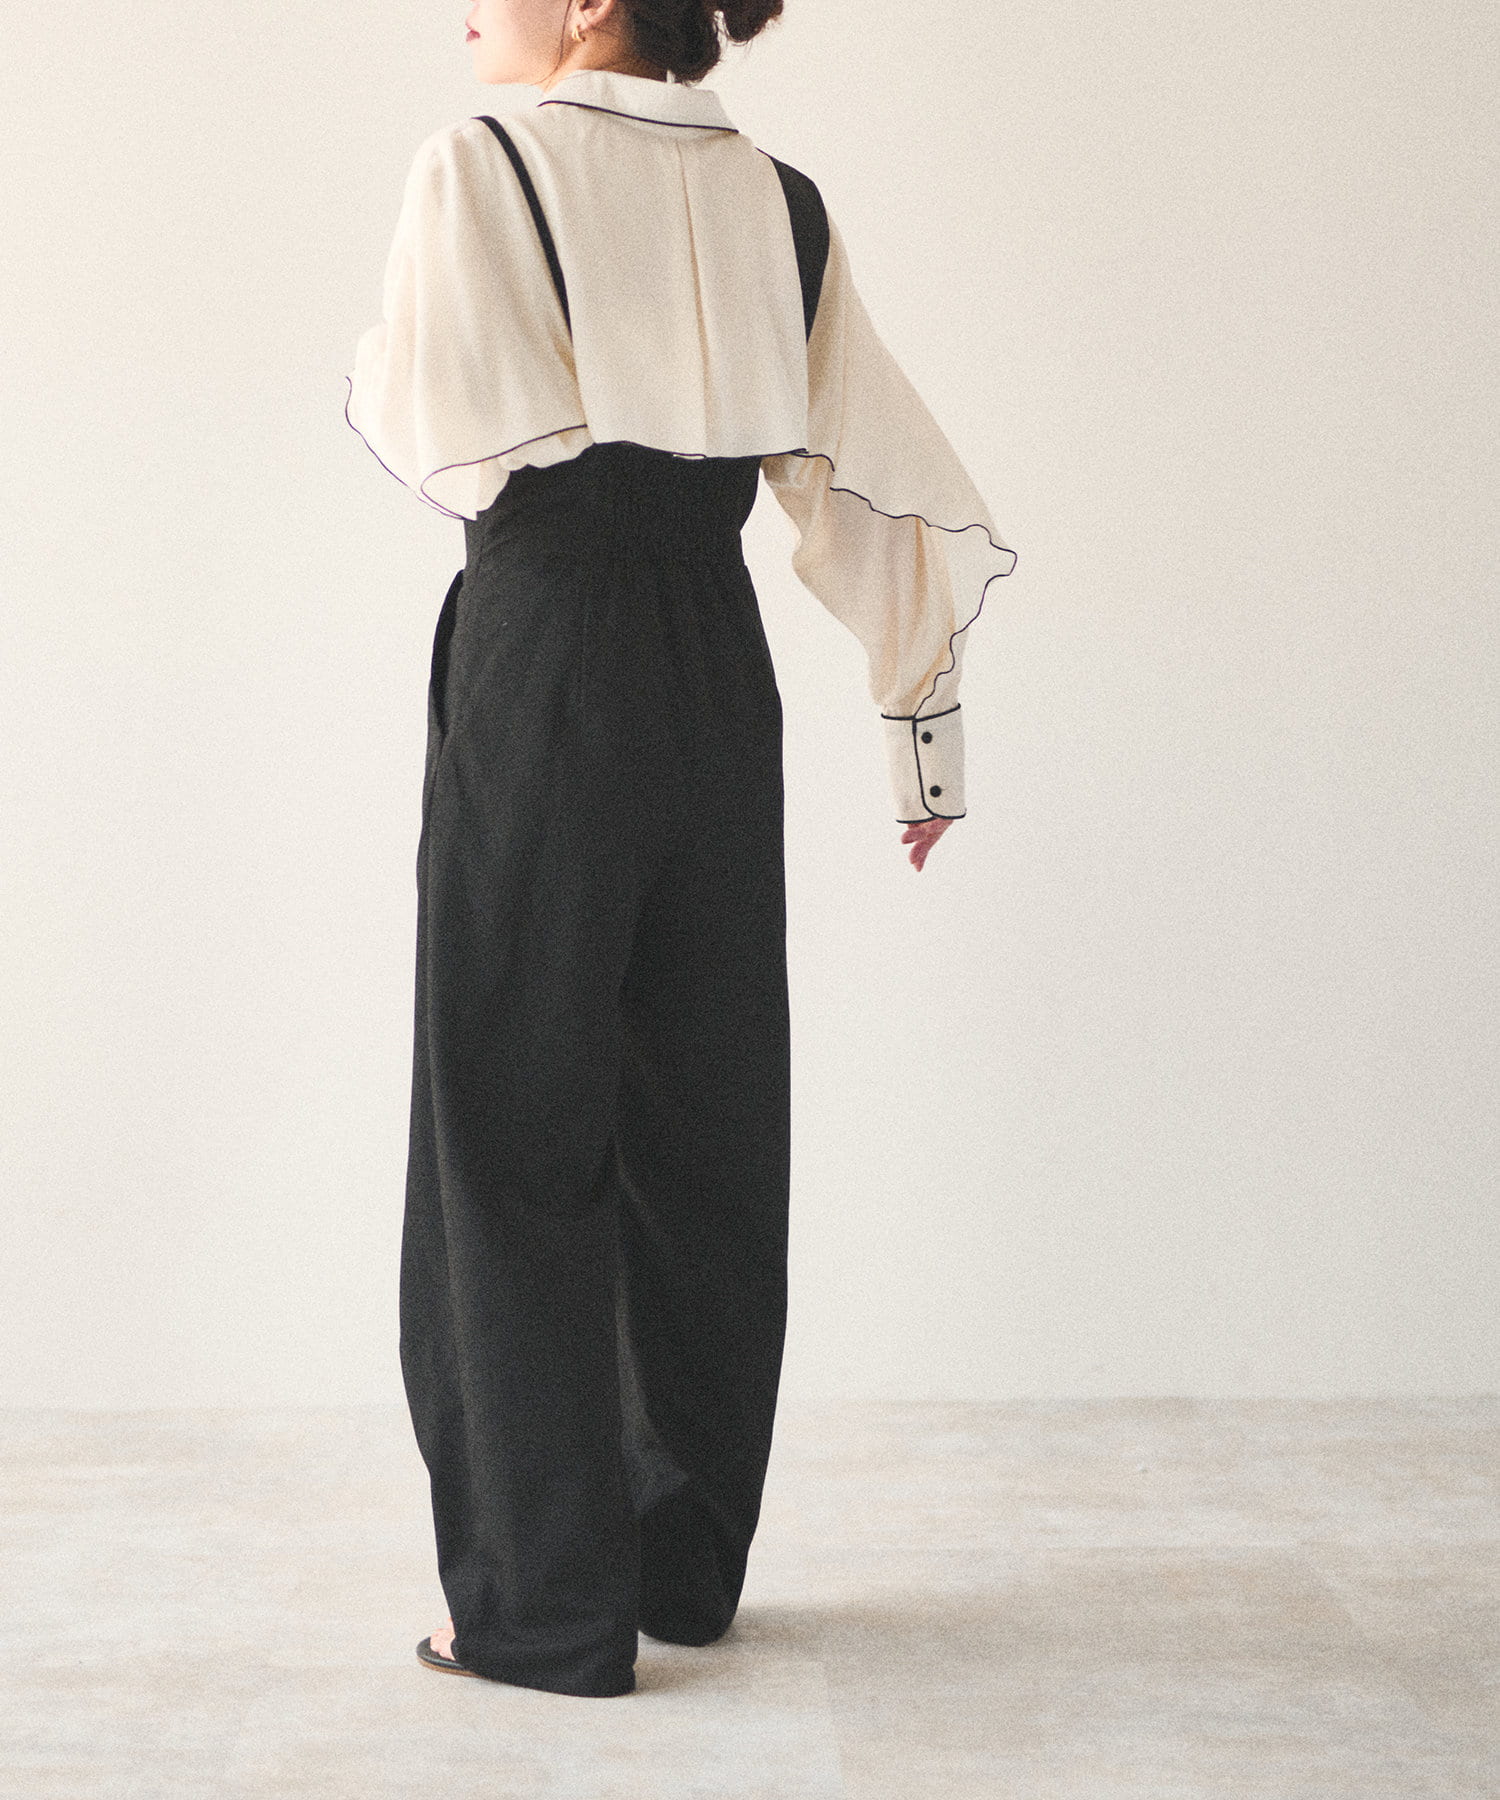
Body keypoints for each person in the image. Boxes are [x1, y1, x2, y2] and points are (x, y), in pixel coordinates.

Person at [343, 0, 1017, 1699]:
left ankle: (539, 1606)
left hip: (547, 650)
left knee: (512, 1122)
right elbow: (871, 470)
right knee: (704, 1118)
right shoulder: (780, 202)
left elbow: (431, 426)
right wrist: (922, 729)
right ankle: (678, 1563)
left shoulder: (482, 166)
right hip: (718, 668)